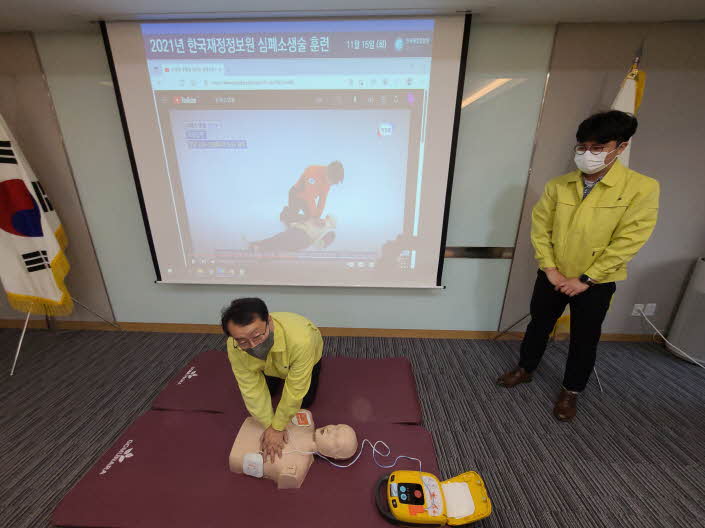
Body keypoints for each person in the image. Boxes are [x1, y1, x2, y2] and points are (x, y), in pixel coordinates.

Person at [497, 110, 659, 421]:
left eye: (598, 148)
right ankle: (526, 369)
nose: (588, 154)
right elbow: (540, 229)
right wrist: (550, 269)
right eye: (583, 147)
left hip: (595, 282)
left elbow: (630, 239)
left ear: (621, 147)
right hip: (552, 275)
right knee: (538, 325)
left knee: (585, 337)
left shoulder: (642, 187)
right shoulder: (559, 185)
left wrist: (586, 279)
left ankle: (571, 391)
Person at [221, 298, 324, 462]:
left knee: (304, 401)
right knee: (267, 394)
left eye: (257, 335)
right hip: (269, 366)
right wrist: (269, 424)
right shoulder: (234, 346)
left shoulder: (302, 340)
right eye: (243, 341)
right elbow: (250, 388)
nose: (253, 346)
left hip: (305, 355)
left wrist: (278, 427)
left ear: (269, 321)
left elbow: (295, 389)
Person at [229, 409, 358, 489]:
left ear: (333, 456)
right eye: (336, 427)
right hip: (255, 423)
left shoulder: (297, 470)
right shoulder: (306, 417)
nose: (330, 430)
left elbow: (285, 480)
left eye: (335, 440)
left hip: (240, 454)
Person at [280, 161, 344, 225]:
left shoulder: (328, 180)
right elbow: (309, 196)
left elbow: (322, 199)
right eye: (332, 181)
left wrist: (317, 216)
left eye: (334, 183)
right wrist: (314, 218)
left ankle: (292, 213)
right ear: (328, 173)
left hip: (306, 200)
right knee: (292, 220)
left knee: (310, 221)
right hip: (296, 195)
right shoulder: (312, 171)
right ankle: (285, 213)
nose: (331, 184)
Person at [249, 215, 336, 253]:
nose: (323, 218)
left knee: (278, 239)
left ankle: (258, 245)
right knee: (280, 242)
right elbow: (317, 243)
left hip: (301, 235)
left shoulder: (324, 225)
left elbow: (318, 240)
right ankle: (259, 247)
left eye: (326, 218)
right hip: (302, 239)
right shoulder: (316, 223)